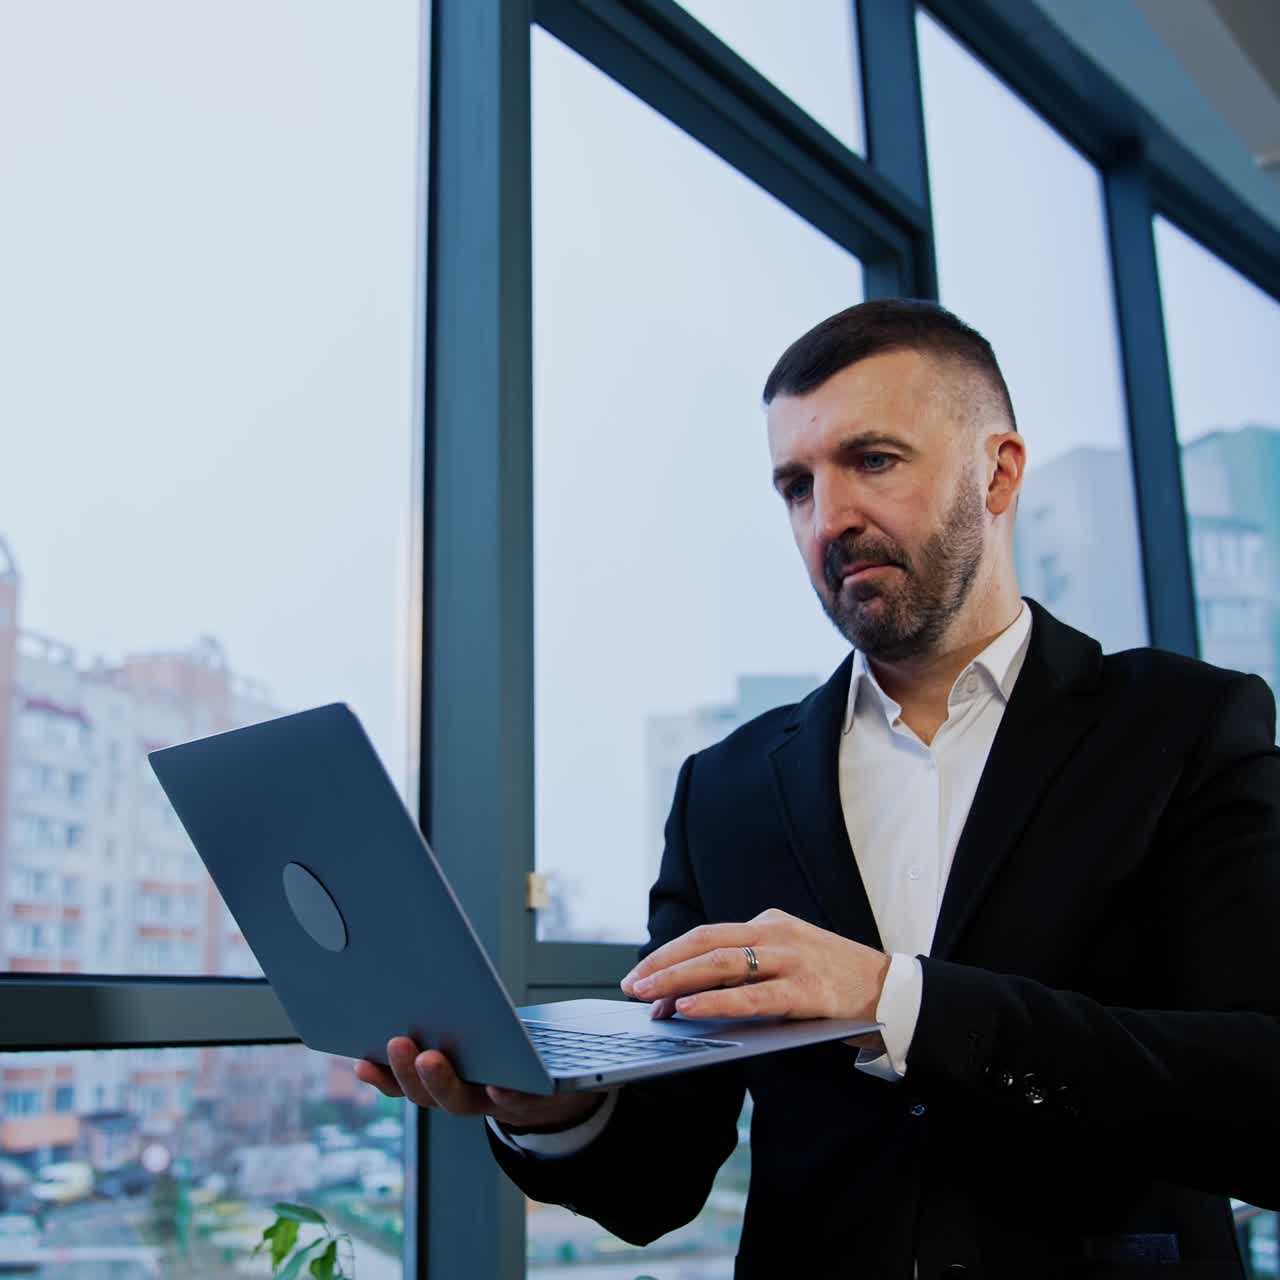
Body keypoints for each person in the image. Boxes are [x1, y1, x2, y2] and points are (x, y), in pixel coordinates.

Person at [355, 299, 1280, 1278]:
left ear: (997, 470)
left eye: (872, 459)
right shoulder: (725, 790)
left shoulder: (1181, 726)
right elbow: (658, 1178)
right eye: (795, 485)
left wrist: (895, 998)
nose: (827, 516)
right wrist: (561, 1111)